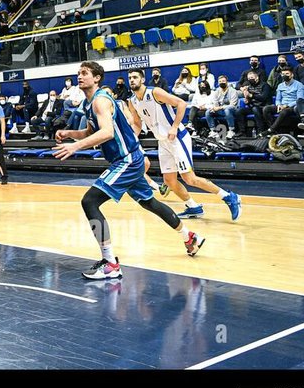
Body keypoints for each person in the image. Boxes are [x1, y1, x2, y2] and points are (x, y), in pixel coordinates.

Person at [53, 62, 206, 280]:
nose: (79, 76)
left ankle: (111, 263)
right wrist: (69, 133)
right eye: (78, 73)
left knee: (89, 202)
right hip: (129, 159)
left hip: (126, 160)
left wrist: (75, 146)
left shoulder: (101, 101)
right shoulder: (90, 104)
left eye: (84, 73)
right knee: (149, 203)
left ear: (97, 78)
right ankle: (189, 236)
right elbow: (91, 131)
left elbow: (106, 133)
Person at [125, 70, 241, 221]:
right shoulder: (132, 101)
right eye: (130, 78)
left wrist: (174, 127)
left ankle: (229, 197)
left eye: (135, 77)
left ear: (142, 79)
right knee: (169, 180)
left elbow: (181, 103)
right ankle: (193, 207)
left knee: (189, 178)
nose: (132, 80)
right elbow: (137, 124)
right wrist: (129, 139)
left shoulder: (155, 92)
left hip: (177, 137)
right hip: (163, 141)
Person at [265, 67, 304, 134]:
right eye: (283, 74)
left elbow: (300, 99)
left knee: (284, 111)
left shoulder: (299, 85)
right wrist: (278, 105)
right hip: (282, 105)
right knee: (266, 109)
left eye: (287, 73)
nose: (285, 75)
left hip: (293, 106)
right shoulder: (280, 85)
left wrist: (286, 106)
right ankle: (274, 129)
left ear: (292, 75)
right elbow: (278, 99)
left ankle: (271, 129)